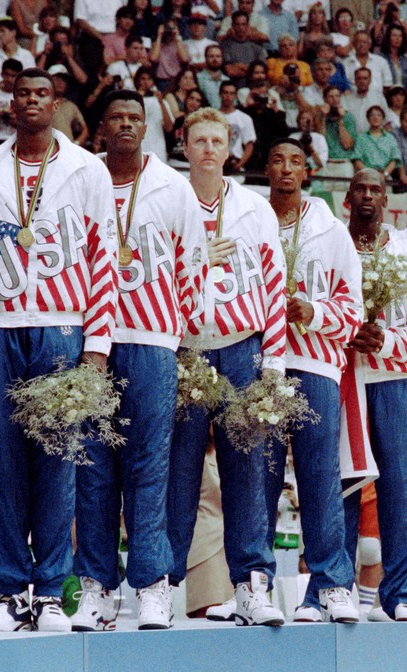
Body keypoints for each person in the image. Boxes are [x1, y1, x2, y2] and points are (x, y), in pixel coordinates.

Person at [0, 67, 117, 633]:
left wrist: (97, 344)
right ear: (10, 104)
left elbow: (105, 258)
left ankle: (52, 590)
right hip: (4, 325)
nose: (32, 102)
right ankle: (10, 592)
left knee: (59, 460)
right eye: (23, 94)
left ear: (56, 105)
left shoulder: (87, 169)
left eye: (43, 95)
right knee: (4, 460)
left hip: (62, 326)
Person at [70, 89, 205, 631]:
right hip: (92, 345)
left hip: (151, 342)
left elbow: (193, 266)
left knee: (150, 467)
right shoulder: (82, 180)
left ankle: (153, 586)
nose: (126, 124)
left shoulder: (173, 187)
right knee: (93, 468)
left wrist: (171, 327)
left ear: (146, 127)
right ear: (100, 127)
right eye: (117, 117)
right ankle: (96, 588)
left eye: (136, 118)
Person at [171, 107, 287, 627]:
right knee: (180, 472)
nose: (209, 150)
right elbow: (153, 280)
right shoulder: (169, 202)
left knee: (246, 471)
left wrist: (274, 363)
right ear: (186, 146)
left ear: (231, 147)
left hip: (242, 346)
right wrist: (197, 262)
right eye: (200, 141)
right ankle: (163, 585)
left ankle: (251, 585)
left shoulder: (253, 207)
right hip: (188, 347)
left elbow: (274, 285)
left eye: (218, 141)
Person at [260, 138, 361, 623]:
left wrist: (314, 311)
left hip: (315, 365)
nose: (285, 168)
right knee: (258, 477)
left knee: (320, 477)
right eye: (277, 159)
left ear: (308, 172)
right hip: (259, 366)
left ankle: (330, 586)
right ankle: (254, 585)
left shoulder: (331, 232)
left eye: (295, 162)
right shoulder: (248, 222)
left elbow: (354, 313)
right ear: (265, 168)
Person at [342, 168, 407, 623]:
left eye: (375, 190)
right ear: (348, 198)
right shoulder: (330, 244)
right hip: (340, 379)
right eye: (359, 189)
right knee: (337, 486)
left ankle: (401, 593)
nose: (367, 196)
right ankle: (334, 588)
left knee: (402, 487)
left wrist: (387, 342)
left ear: (387, 200)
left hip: (393, 380)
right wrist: (344, 333)